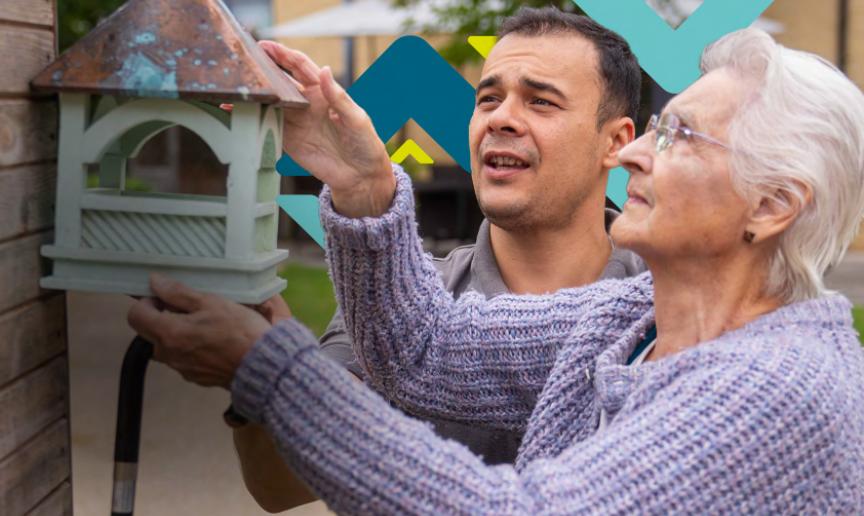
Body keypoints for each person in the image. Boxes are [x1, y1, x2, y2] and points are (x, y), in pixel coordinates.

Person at [128, 26, 864, 513]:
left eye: (681, 136)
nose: (642, 155)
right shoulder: (631, 318)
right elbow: (420, 350)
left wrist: (274, 371)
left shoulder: (774, 389)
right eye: (490, 97)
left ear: (772, 207)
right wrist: (363, 187)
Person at [231, 7, 644, 510]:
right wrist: (257, 362)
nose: (501, 118)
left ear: (616, 142)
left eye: (541, 101)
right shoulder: (392, 297)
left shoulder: (669, 305)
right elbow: (277, 484)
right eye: (488, 98)